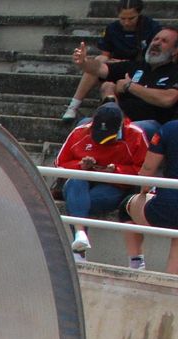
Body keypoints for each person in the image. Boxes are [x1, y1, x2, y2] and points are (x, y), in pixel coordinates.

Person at [56, 103, 149, 263]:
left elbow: (144, 169)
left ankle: (79, 250)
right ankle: (80, 236)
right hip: (80, 183)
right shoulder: (80, 132)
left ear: (119, 127)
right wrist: (81, 165)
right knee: (76, 181)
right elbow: (60, 163)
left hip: (113, 186)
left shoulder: (135, 135)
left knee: (78, 203)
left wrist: (116, 170)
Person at [64, 0, 162, 119]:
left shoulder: (152, 28)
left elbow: (153, 57)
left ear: (139, 14)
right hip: (117, 66)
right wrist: (103, 60)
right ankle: (74, 105)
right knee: (98, 62)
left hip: (139, 68)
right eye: (122, 18)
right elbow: (105, 53)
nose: (126, 22)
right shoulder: (113, 28)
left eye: (131, 18)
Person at [78, 25, 178, 136]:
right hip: (121, 120)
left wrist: (130, 86)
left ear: (175, 50)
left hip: (152, 125)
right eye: (156, 39)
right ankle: (114, 123)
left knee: (135, 129)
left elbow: (167, 99)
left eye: (164, 41)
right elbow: (101, 69)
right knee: (83, 124)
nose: (156, 43)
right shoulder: (136, 66)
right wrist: (84, 62)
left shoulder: (175, 71)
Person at [128, 115, 178, 274]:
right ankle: (171, 281)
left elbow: (147, 170)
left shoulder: (169, 128)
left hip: (167, 205)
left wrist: (144, 190)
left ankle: (135, 262)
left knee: (125, 207)